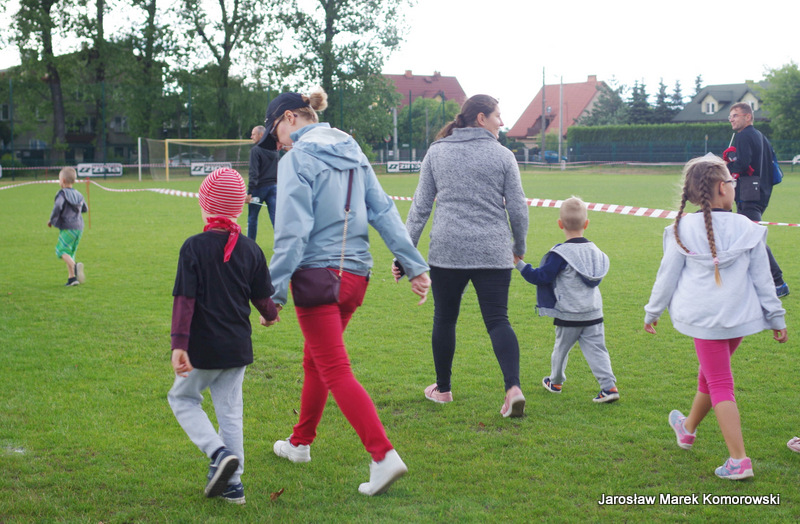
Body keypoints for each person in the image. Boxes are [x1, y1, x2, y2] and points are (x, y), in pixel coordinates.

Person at [260, 88, 431, 496]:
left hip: (316, 279)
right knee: (316, 360)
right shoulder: (353, 150)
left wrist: (273, 295)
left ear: (289, 118)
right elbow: (384, 211)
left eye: (275, 131)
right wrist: (414, 265)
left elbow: (292, 232)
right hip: (355, 278)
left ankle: (383, 455)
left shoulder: (296, 159)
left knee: (334, 368)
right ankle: (300, 443)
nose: (277, 143)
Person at [643, 155, 787, 480]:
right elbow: (764, 281)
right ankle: (687, 428)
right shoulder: (748, 228)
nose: (734, 186)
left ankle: (739, 460)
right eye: (732, 181)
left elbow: (666, 277)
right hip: (736, 321)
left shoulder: (681, 228)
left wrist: (652, 312)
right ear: (723, 188)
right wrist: (776, 319)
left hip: (705, 321)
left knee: (719, 381)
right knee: (710, 376)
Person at [401, 94, 529, 418]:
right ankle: (513, 388)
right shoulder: (504, 156)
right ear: (481, 118)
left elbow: (419, 208)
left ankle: (443, 390)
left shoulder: (437, 151)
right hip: (493, 250)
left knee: (444, 318)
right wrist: (519, 247)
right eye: (498, 115)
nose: (502, 122)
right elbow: (518, 209)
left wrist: (405, 253)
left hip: (447, 250)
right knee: (498, 320)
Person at [167, 167, 279, 505]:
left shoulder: (193, 247)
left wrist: (179, 344)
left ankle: (218, 454)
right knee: (230, 413)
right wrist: (270, 316)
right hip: (237, 347)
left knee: (182, 399)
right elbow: (263, 297)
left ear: (205, 206)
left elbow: (184, 300)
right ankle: (234, 485)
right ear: (239, 209)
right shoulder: (251, 249)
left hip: (203, 348)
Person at [514, 197, 618, 403]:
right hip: (594, 313)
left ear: (560, 224)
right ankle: (609, 387)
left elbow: (541, 277)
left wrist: (519, 264)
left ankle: (556, 382)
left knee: (561, 350)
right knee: (598, 351)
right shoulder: (596, 252)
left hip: (569, 314)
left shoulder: (560, 254)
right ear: (586, 224)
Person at [724, 102, 788, 297]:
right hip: (761, 192)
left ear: (748, 117)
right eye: (730, 116)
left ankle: (778, 282)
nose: (731, 119)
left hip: (749, 194)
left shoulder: (743, 136)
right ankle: (750, 281)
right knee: (745, 236)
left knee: (753, 238)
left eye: (735, 115)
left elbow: (743, 164)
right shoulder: (761, 136)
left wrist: (726, 165)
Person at [48, 166, 88, 286]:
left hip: (68, 226)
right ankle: (72, 278)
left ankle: (75, 267)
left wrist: (52, 219)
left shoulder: (62, 194)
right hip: (79, 227)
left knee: (60, 250)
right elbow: (85, 208)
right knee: (70, 253)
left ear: (63, 181)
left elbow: (58, 206)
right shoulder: (79, 194)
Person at [245, 125, 279, 241]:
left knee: (252, 219)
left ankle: (250, 244)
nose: (251, 137)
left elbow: (253, 172)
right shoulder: (274, 150)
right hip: (274, 187)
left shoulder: (256, 150)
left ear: (261, 135)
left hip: (259, 189)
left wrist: (249, 192)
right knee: (276, 219)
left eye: (253, 134)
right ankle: (282, 244)